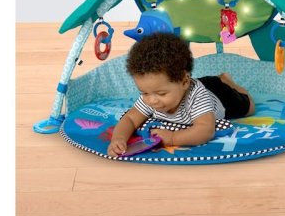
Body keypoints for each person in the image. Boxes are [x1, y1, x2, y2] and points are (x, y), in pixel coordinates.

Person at [107, 33, 255, 156]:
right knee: (202, 82)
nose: (151, 100)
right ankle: (218, 78)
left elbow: (206, 130)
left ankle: (227, 80)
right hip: (194, 83)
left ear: (184, 82)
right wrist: (118, 139)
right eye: (144, 92)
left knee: (249, 108)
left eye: (161, 93)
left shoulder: (197, 98)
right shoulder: (153, 92)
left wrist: (173, 138)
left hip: (221, 96)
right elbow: (130, 118)